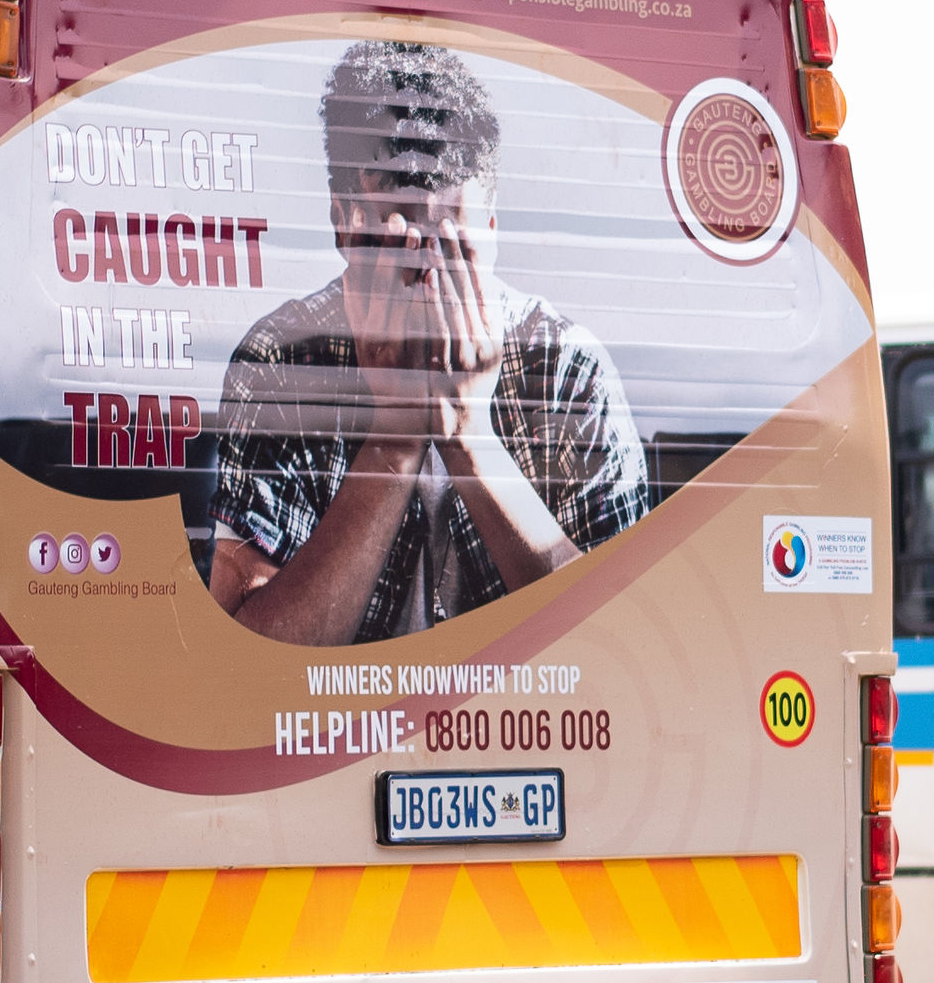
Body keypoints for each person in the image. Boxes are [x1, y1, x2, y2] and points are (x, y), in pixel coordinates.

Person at [192, 37, 648, 646]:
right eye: (402, 237)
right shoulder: (283, 360)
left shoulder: (566, 369)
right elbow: (245, 661)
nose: (430, 273)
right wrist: (392, 441)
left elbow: (626, 645)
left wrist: (469, 437)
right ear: (341, 222)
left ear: (491, 225)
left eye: (454, 243)